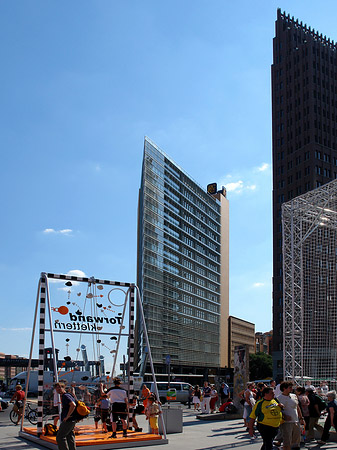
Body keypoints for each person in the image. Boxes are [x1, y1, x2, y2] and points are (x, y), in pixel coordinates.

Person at [277, 381, 304, 450]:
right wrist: (284, 415)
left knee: (296, 441)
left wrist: (301, 418)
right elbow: (277, 411)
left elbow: (297, 407)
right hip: (286, 422)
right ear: (284, 388)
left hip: (296, 420)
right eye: (290, 387)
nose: (291, 389)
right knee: (287, 441)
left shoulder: (294, 396)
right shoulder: (278, 398)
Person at [54, 381, 77, 450]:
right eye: (57, 388)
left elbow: (73, 405)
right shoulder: (68, 395)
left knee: (60, 437)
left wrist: (67, 416)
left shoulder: (65, 396)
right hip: (72, 419)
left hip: (68, 419)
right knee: (70, 436)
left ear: (64, 388)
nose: (58, 389)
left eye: (60, 387)